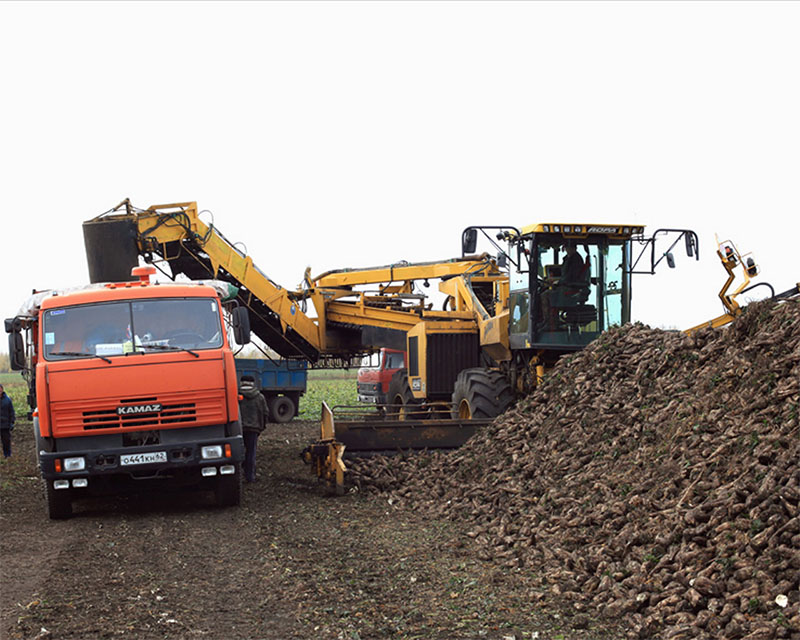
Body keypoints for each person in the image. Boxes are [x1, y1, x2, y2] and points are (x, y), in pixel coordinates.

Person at [238, 375, 268, 483]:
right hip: (254, 429)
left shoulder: (235, 396)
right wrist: (261, 427)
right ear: (252, 383)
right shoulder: (260, 397)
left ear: (241, 383)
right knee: (251, 453)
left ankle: (238, 476)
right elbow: (265, 413)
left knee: (239, 452)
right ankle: (250, 477)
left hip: (239, 429)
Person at [0, 384, 16, 458]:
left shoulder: (7, 400)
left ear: (2, 389)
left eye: (0, 389)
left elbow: (11, 412)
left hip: (5, 425)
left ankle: (7, 454)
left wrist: (12, 422)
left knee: (6, 441)